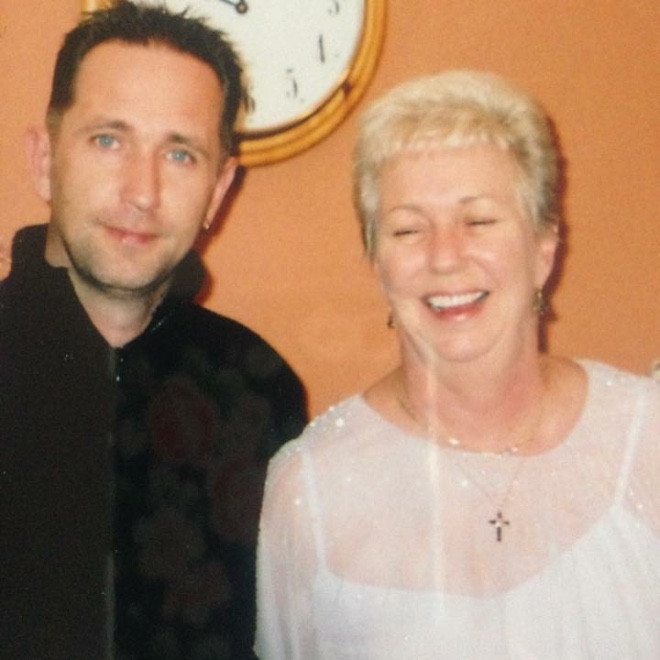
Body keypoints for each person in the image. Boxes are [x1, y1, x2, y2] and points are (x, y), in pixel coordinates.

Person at [254, 71, 660, 658]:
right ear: (377, 263)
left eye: (479, 221)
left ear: (543, 250)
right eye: (408, 229)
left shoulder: (646, 438)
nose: (445, 257)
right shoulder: (310, 492)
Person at [0, 2, 307, 658]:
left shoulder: (259, 388)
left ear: (218, 190)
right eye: (108, 140)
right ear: (45, 159)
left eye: (180, 153)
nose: (142, 191)